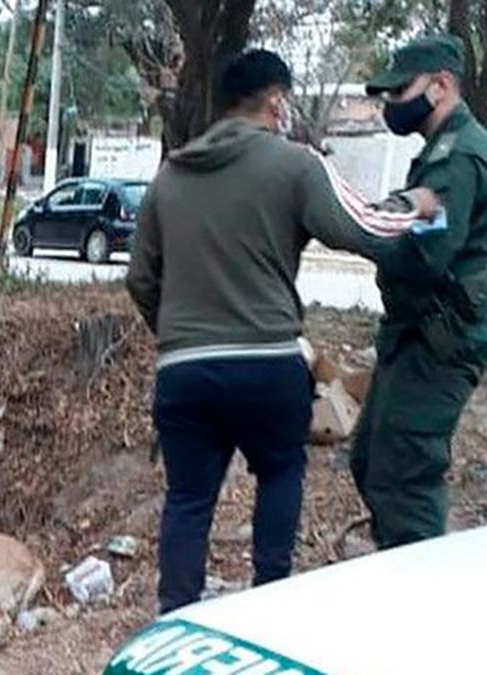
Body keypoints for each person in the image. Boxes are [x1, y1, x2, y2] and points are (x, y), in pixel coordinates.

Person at [126, 49, 440, 614]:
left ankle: (173, 617)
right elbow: (361, 229)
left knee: (189, 499)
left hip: (184, 372)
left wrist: (177, 334)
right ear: (276, 101)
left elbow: (140, 279)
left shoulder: (170, 175)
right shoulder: (294, 164)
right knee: (279, 474)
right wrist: (413, 205)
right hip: (266, 364)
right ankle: (269, 605)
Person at [353, 35, 487, 550]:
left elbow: (428, 254)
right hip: (413, 335)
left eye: (400, 90)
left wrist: (365, 230)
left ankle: (423, 607)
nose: (391, 104)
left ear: (442, 86)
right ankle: (401, 571)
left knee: (403, 479)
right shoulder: (440, 151)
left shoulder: (459, 155)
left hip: (440, 342)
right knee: (371, 462)